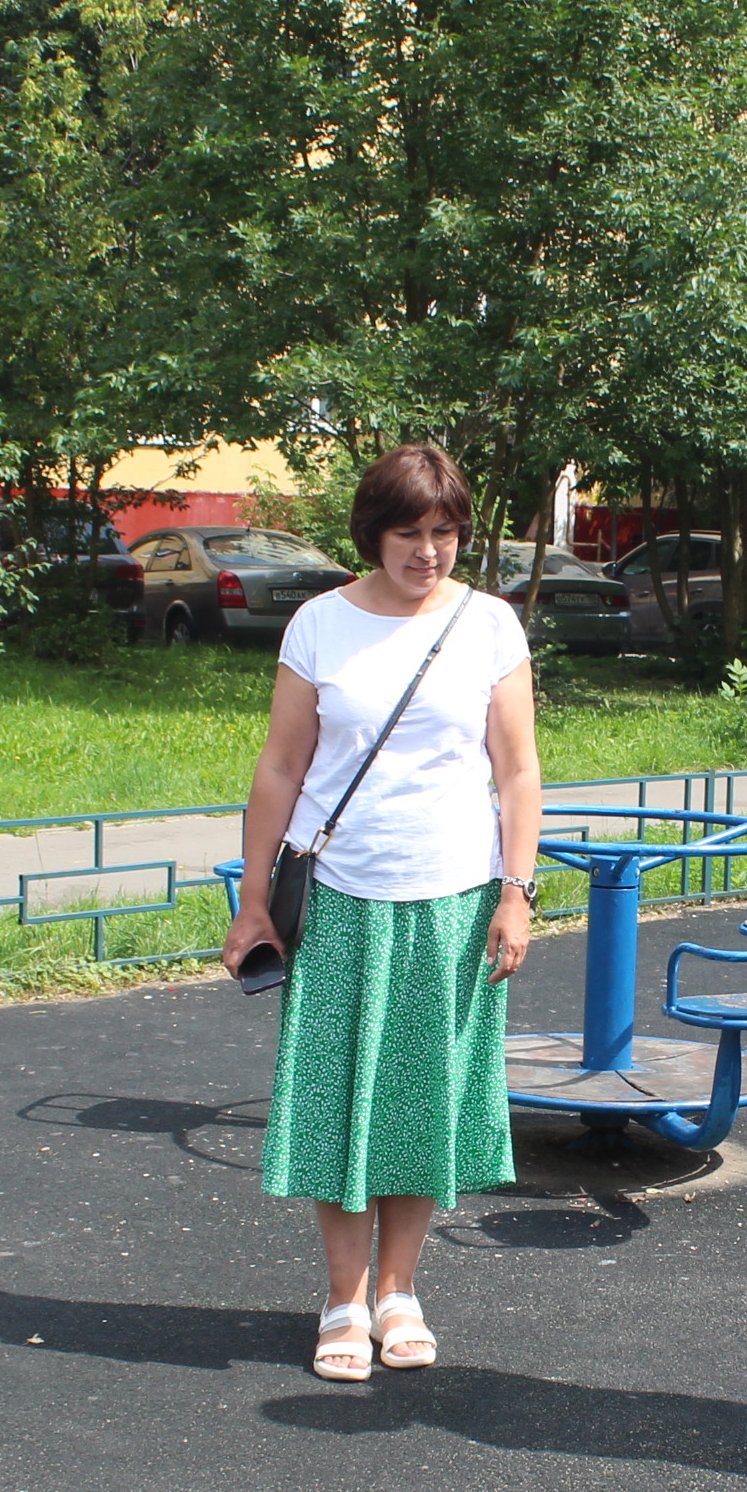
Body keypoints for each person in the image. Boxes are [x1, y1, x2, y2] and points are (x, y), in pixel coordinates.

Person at [224, 446, 543, 1382]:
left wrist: (516, 895)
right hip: (338, 898)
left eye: (446, 533)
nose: (430, 552)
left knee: (418, 1101)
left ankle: (399, 1291)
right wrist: (253, 902)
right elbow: (281, 767)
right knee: (335, 1102)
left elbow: (519, 771)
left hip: (454, 896)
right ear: (375, 531)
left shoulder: (489, 626)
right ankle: (342, 1298)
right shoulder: (322, 625)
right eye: (411, 533)